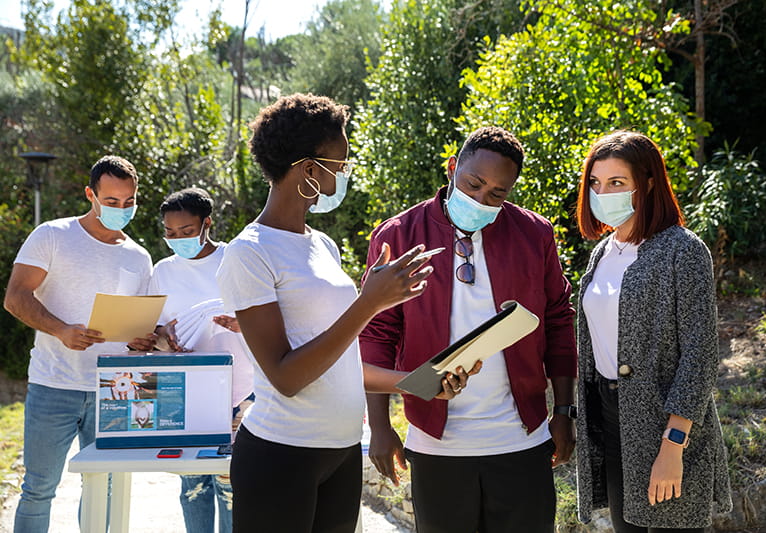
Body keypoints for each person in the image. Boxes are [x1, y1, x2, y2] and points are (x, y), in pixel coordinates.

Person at [215, 93, 465, 533]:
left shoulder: (322, 245)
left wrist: (423, 383)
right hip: (281, 456)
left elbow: (341, 360)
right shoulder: (248, 253)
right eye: (341, 165)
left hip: (341, 452)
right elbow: (287, 378)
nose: (344, 175)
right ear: (309, 169)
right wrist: (369, 303)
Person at [360, 126, 579, 533]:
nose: (481, 199)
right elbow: (376, 334)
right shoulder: (398, 236)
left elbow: (558, 321)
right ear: (452, 168)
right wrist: (381, 426)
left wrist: (564, 411)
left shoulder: (535, 234)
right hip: (435, 443)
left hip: (522, 441)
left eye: (497, 194)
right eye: (474, 183)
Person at [574, 130, 732, 532]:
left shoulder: (684, 249)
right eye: (595, 183)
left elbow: (701, 353)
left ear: (647, 183)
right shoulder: (602, 253)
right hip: (611, 419)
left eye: (616, 183)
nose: (602, 192)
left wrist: (673, 444)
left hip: (666, 424)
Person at [3, 155, 156, 532]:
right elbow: (16, 297)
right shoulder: (53, 236)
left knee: (105, 492)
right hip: (53, 384)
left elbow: (141, 326)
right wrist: (60, 330)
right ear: (91, 194)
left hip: (116, 392)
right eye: (112, 201)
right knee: (38, 489)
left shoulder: (140, 258)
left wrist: (142, 341)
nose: (122, 209)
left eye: (129, 202)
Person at [147, 187, 255, 533]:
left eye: (186, 231)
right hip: (187, 393)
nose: (176, 238)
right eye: (169, 232)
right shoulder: (162, 271)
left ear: (207, 223)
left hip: (240, 390)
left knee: (231, 484)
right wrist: (164, 335)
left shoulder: (235, 260)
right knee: (192, 486)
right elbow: (153, 332)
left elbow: (266, 319)